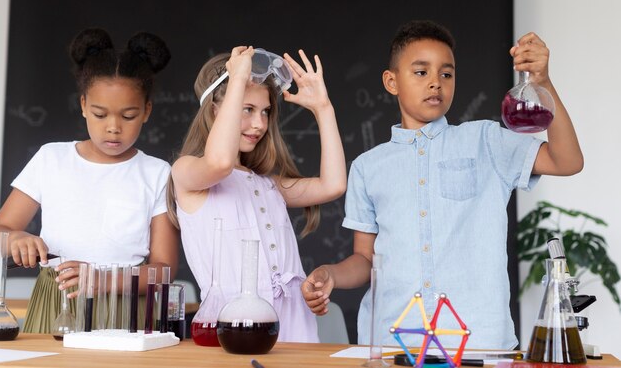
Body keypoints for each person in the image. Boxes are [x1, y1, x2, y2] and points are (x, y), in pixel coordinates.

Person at [301, 20, 583, 349]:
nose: (436, 83)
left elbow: (568, 161)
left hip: (479, 341)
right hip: (393, 340)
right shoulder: (367, 167)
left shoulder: (486, 140)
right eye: (421, 72)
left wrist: (542, 82)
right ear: (391, 81)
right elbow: (365, 260)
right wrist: (331, 274)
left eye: (446, 74)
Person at [0, 28, 179, 333]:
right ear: (83, 106)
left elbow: (165, 269)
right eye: (100, 114)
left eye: (129, 116)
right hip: (56, 300)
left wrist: (102, 279)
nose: (113, 128)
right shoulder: (50, 159)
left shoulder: (158, 173)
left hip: (124, 308)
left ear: (146, 111)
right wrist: (14, 238)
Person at [167, 46, 346, 342]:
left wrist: (323, 109)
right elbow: (219, 162)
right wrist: (237, 79)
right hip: (232, 329)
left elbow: (334, 185)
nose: (259, 124)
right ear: (214, 109)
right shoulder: (186, 172)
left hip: (293, 326)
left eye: (265, 112)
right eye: (246, 110)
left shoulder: (267, 184)